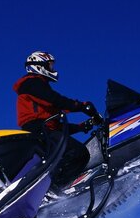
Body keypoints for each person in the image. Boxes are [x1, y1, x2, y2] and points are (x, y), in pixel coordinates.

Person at [13, 51, 102, 185]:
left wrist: (82, 126)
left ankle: (58, 187)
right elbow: (55, 100)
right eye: (49, 66)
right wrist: (82, 106)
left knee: (76, 154)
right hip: (37, 132)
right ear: (39, 66)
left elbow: (56, 126)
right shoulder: (31, 83)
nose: (52, 69)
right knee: (78, 153)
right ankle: (53, 186)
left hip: (43, 131)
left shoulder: (40, 95)